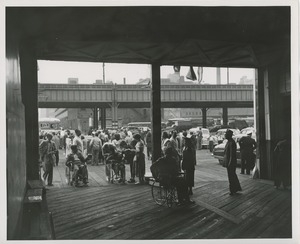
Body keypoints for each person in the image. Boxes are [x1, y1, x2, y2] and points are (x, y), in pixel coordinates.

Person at [223, 129, 242, 195]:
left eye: (226, 134)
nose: (225, 135)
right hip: (230, 161)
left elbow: (232, 154)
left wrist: (229, 163)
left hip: (231, 162)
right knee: (232, 175)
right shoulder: (229, 142)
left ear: (229, 135)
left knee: (231, 176)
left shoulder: (231, 143)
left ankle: (233, 189)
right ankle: (235, 188)